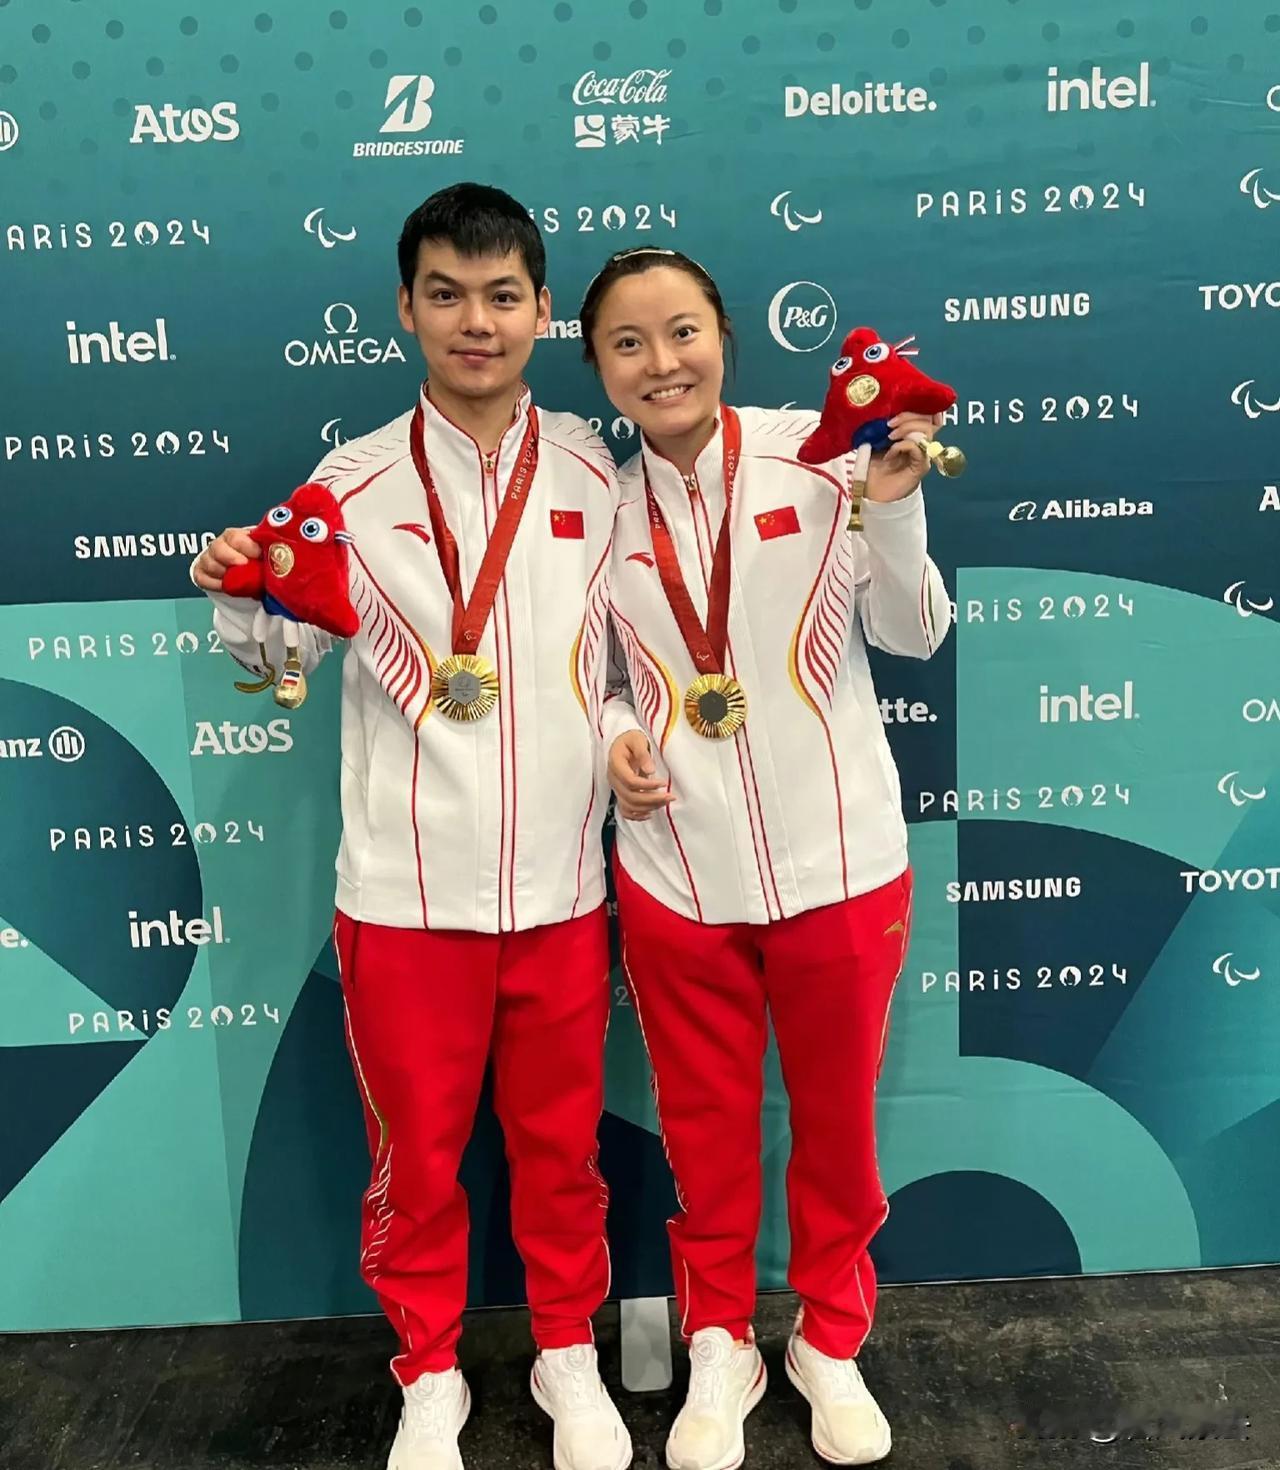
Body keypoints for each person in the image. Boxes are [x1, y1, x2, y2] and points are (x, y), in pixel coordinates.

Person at [192, 184, 632, 1470]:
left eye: (501, 297)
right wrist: (240, 598)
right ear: (405, 307)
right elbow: (281, 661)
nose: (474, 322)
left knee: (561, 1156)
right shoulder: (350, 483)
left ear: (542, 312)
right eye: (446, 295)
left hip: (559, 893)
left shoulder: (593, 474)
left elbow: (620, 664)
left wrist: (623, 741)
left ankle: (565, 1353)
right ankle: (427, 1371)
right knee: (417, 1164)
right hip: (403, 899)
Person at [583, 247, 952, 1470]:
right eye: (627, 343)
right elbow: (591, 682)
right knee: (703, 1133)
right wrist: (615, 739)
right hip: (678, 876)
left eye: (680, 331)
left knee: (836, 1129)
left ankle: (828, 1339)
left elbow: (911, 632)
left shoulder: (820, 453)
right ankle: (720, 1343)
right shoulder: (595, 512)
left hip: (839, 867)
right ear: (598, 368)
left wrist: (891, 505)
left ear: (722, 337)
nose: (660, 362)